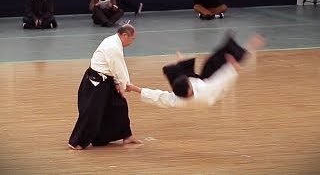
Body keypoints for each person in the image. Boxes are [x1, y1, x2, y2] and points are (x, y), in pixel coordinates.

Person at [126, 34, 265, 108]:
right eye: (188, 82)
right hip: (211, 87)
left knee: (170, 70)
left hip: (197, 83)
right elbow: (223, 78)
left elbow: (158, 96)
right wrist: (234, 65)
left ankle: (183, 64)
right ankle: (247, 48)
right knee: (218, 59)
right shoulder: (207, 90)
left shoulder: (176, 98)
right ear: (188, 90)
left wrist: (134, 88)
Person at [68, 24, 141, 150]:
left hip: (107, 79)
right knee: (92, 112)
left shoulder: (113, 41)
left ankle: (126, 136)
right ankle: (77, 142)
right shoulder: (113, 47)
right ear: (125, 35)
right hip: (97, 82)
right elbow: (117, 67)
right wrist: (125, 85)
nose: (133, 41)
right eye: (133, 38)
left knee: (119, 105)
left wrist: (119, 83)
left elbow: (114, 67)